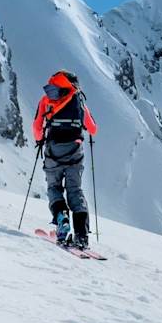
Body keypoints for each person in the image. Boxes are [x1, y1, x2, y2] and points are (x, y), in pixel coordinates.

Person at [32, 70, 98, 248]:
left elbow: (37, 126)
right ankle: (82, 235)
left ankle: (62, 219)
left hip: (53, 151)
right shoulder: (78, 99)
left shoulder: (46, 100)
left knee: (54, 187)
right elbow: (93, 128)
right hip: (75, 152)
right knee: (75, 190)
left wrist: (39, 140)